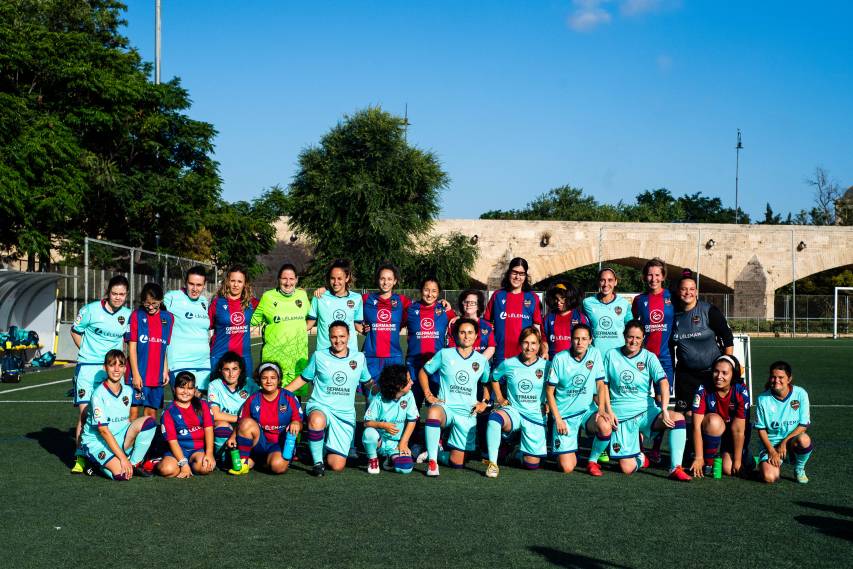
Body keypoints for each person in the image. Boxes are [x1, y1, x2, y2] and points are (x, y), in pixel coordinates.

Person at [604, 320, 691, 481]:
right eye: (630, 337)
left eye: (638, 337)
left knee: (677, 418)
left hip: (646, 412)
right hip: (620, 415)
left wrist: (664, 410)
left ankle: (675, 467)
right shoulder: (611, 355)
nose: (633, 341)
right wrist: (607, 410)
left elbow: (663, 382)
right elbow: (603, 386)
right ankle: (641, 458)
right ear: (624, 336)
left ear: (643, 338)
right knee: (626, 468)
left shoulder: (649, 357)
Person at [286, 321, 373, 476]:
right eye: (334, 337)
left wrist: (386, 393)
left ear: (349, 336)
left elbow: (368, 383)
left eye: (342, 336)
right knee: (317, 420)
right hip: (321, 405)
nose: (338, 340)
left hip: (344, 414)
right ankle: (317, 462)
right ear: (329, 337)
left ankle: (321, 445)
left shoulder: (359, 357)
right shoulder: (319, 356)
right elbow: (304, 378)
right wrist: (282, 392)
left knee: (337, 465)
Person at [70, 275, 132, 473]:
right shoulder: (90, 310)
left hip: (112, 370)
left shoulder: (128, 315)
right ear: (108, 293)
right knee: (86, 414)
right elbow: (75, 331)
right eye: (114, 293)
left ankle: (104, 454)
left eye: (122, 294)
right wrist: (87, 353)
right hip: (88, 368)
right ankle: (80, 457)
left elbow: (129, 342)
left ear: (127, 295)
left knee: (111, 415)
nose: (118, 298)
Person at [419, 318, 491, 476]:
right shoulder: (445, 354)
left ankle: (439, 453)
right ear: (456, 335)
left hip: (467, 412)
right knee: (433, 412)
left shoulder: (481, 360)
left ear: (476, 335)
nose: (466, 336)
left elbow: (487, 384)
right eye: (462, 332)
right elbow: (423, 372)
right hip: (446, 408)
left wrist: (484, 402)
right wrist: (428, 394)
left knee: (457, 463)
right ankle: (432, 462)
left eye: (470, 332)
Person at [545, 323, 613, 476]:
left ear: (590, 340)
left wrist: (601, 409)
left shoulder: (594, 353)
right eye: (576, 338)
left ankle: (592, 461)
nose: (580, 342)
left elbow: (600, 384)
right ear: (571, 339)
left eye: (584, 339)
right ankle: (566, 450)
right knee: (567, 467)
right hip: (565, 417)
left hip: (586, 412)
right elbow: (549, 392)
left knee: (605, 425)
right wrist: (558, 419)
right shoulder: (560, 358)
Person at [79, 350, 158, 480]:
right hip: (97, 441)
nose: (116, 369)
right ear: (105, 368)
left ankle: (133, 463)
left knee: (149, 422)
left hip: (119, 436)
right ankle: (95, 462)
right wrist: (122, 458)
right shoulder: (98, 395)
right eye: (112, 365)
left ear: (125, 368)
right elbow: (103, 431)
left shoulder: (127, 391)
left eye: (120, 365)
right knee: (122, 475)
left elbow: (131, 419)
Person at [484, 327, 549, 478]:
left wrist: (547, 403)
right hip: (514, 412)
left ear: (539, 345)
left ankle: (516, 452)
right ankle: (493, 464)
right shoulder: (509, 363)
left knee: (532, 465)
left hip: (535, 415)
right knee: (494, 419)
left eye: (533, 343)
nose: (529, 347)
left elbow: (553, 388)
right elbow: (494, 378)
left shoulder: (547, 366)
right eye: (526, 343)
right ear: (520, 343)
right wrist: (499, 398)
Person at [669, 269, 734, 414]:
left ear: (696, 292)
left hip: (710, 374)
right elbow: (669, 346)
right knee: (685, 415)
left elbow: (727, 336)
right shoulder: (673, 315)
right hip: (685, 376)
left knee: (710, 415)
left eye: (691, 289)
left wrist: (728, 363)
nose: (688, 292)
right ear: (678, 292)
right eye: (684, 289)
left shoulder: (708, 310)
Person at [228, 362, 303, 475]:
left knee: (278, 467)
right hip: (260, 442)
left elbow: (300, 422)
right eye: (264, 378)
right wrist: (233, 437)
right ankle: (244, 461)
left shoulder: (289, 397)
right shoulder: (253, 399)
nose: (269, 381)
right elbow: (242, 422)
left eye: (273, 378)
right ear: (259, 380)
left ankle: (262, 460)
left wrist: (296, 423)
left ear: (279, 379)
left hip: (279, 443)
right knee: (247, 422)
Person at [250, 263, 311, 397]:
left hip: (297, 358)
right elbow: (252, 320)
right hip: (274, 359)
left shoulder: (302, 296)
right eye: (284, 278)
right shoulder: (268, 297)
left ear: (296, 280)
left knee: (295, 402)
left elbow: (311, 319)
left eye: (291, 279)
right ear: (278, 279)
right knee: (271, 399)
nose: (288, 283)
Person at [689, 355, 750, 478]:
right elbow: (696, 426)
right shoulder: (703, 388)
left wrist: (737, 461)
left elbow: (738, 431)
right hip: (712, 428)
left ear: (734, 374)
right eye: (716, 371)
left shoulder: (741, 391)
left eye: (724, 373)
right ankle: (707, 461)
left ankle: (747, 458)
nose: (719, 376)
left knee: (728, 469)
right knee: (711, 421)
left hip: (732, 433)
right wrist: (699, 457)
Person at [755, 361, 813, 484]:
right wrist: (772, 451)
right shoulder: (762, 399)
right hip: (771, 446)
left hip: (791, 442)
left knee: (804, 439)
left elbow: (803, 425)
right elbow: (761, 429)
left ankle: (799, 468)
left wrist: (784, 442)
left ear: (789, 379)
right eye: (773, 377)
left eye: (781, 377)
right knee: (770, 477)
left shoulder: (800, 394)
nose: (776, 380)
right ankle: (764, 464)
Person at [405, 276, 456, 410]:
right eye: (426, 290)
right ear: (421, 290)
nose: (430, 294)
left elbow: (458, 327)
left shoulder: (445, 310)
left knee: (436, 407)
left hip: (436, 367)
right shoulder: (410, 310)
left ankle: (433, 431)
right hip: (414, 366)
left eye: (434, 291)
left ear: (438, 293)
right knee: (412, 408)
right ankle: (413, 431)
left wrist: (450, 310)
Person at [360, 263, 412, 390]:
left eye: (389, 279)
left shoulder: (402, 301)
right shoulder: (366, 299)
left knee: (394, 398)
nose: (385, 282)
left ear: (395, 281)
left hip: (393, 358)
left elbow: (423, 310)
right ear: (377, 280)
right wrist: (359, 325)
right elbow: (345, 305)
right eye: (382, 278)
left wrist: (444, 306)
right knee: (371, 397)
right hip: (371, 357)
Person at [126, 282, 174, 420]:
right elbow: (132, 348)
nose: (151, 307)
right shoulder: (136, 316)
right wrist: (135, 374)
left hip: (156, 376)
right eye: (147, 303)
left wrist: (165, 369)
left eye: (154, 303)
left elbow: (163, 347)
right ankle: (128, 442)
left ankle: (146, 442)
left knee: (151, 415)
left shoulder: (168, 318)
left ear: (161, 301)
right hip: (138, 374)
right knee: (132, 413)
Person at [484, 257, 543, 368]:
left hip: (525, 355)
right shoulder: (498, 295)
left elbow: (536, 329)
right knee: (497, 384)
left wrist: (538, 350)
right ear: (509, 273)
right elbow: (485, 323)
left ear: (525, 276)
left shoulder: (532, 298)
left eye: (521, 274)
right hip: (500, 355)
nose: (517, 277)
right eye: (514, 272)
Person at [362, 364, 419, 474]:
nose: (412, 382)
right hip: (380, 442)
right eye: (409, 380)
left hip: (396, 444)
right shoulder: (378, 398)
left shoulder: (409, 395)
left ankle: (390, 459)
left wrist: (403, 443)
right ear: (398, 385)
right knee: (369, 433)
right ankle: (373, 459)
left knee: (405, 468)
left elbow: (412, 421)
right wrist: (382, 425)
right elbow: (366, 423)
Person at [157, 372, 215, 478]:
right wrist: (183, 464)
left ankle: (192, 464)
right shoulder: (169, 412)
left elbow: (209, 429)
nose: (185, 392)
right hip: (177, 450)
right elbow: (173, 441)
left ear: (195, 390)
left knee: (206, 467)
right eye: (181, 387)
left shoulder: (203, 405)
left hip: (197, 450)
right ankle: (156, 461)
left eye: (190, 388)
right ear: (174, 389)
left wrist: (209, 453)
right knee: (167, 470)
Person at [164, 266, 212, 393]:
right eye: (191, 284)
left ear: (204, 285)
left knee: (202, 407)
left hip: (204, 364)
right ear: (185, 282)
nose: (195, 289)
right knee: (184, 406)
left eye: (199, 285)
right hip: (180, 363)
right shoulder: (172, 298)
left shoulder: (204, 302)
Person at [207, 351, 258, 461]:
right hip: (229, 425)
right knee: (222, 426)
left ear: (240, 370)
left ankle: (249, 454)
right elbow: (215, 415)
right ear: (221, 370)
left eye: (234, 369)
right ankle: (224, 458)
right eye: (227, 369)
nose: (231, 374)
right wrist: (241, 419)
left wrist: (243, 423)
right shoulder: (215, 385)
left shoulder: (250, 384)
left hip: (245, 428)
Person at [307, 259, 364, 355]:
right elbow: (309, 324)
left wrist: (375, 329)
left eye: (339, 278)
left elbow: (358, 325)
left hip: (349, 354)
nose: (335, 282)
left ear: (347, 277)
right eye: (332, 278)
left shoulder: (357, 298)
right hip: (324, 354)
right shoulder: (319, 297)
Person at [209, 265, 259, 375]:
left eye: (240, 281)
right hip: (220, 356)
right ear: (227, 282)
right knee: (219, 391)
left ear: (245, 284)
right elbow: (206, 326)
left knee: (246, 391)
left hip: (244, 357)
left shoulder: (253, 303)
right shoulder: (217, 303)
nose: (236, 285)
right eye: (232, 281)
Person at [582, 267, 633, 357]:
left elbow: (632, 329)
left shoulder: (624, 303)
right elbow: (583, 328)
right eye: (602, 280)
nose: (606, 284)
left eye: (610, 280)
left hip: (619, 356)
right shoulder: (587, 303)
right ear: (598, 282)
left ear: (615, 282)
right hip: (596, 356)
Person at [542, 282, 589, 358]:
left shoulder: (580, 317)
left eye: (562, 299)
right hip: (552, 360)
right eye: (557, 299)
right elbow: (543, 339)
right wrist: (544, 351)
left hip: (573, 361)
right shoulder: (548, 318)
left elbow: (587, 339)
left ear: (570, 298)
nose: (559, 303)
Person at [448, 289, 496, 361]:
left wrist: (478, 362)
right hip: (459, 365)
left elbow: (491, 347)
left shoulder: (486, 325)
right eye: (466, 302)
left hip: (480, 366)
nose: (468, 305)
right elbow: (451, 347)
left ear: (478, 306)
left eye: (473, 303)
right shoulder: (454, 324)